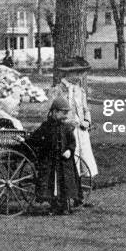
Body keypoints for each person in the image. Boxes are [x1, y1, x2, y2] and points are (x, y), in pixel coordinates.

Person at [48, 56, 98, 206]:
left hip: (81, 131)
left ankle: (78, 196)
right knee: (71, 162)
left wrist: (87, 121)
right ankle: (68, 196)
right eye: (75, 73)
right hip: (65, 132)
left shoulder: (80, 91)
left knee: (83, 161)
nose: (78, 76)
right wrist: (69, 121)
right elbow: (54, 113)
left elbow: (85, 109)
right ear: (66, 74)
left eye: (80, 73)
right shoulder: (58, 90)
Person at [26, 97, 80, 215]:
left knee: (65, 184)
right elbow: (35, 139)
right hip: (50, 162)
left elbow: (72, 142)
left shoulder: (67, 128)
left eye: (66, 113)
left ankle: (65, 207)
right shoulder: (46, 126)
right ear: (55, 112)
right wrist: (24, 141)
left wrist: (69, 151)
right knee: (51, 185)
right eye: (63, 113)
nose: (65, 116)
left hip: (63, 162)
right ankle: (54, 206)